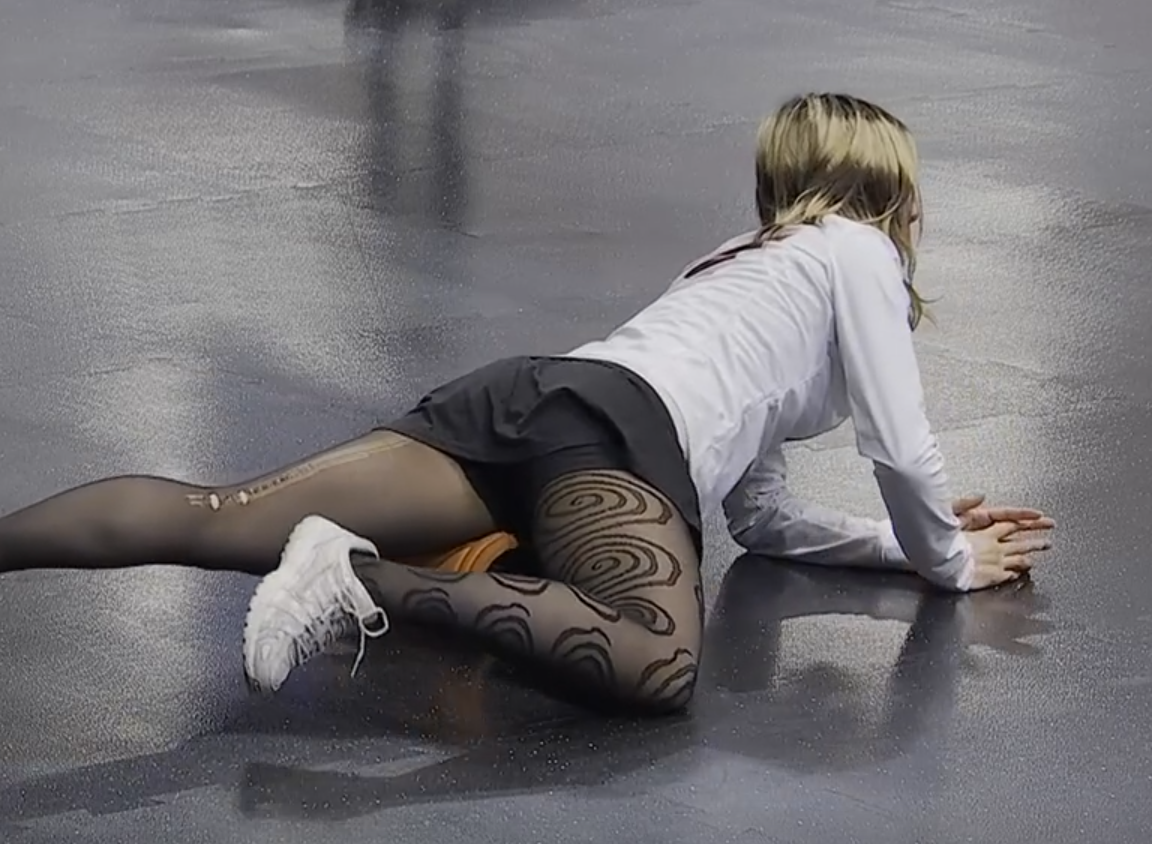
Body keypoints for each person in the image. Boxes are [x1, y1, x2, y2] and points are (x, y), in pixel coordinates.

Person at [0, 93, 1054, 715]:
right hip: (614, 444)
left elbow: (761, 513)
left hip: (525, 400)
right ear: (894, 193)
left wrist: (894, 544)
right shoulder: (860, 250)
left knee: (217, 513)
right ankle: (355, 576)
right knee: (655, 661)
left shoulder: (736, 265)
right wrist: (944, 557)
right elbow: (903, 449)